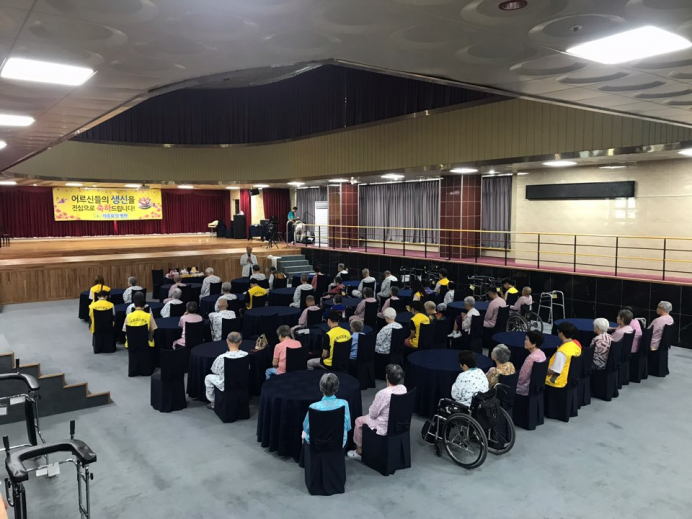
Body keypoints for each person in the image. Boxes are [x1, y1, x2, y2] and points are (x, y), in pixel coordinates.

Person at [347, 364, 407, 461]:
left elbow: (373, 414)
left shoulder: (383, 393)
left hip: (382, 425)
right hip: (397, 423)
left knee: (358, 421)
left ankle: (359, 450)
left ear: (387, 376)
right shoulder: (403, 388)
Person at [301, 373, 352, 448]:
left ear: (320, 388)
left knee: (303, 434)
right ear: (337, 388)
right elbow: (348, 427)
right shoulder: (344, 404)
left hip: (316, 444)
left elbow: (306, 428)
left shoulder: (313, 407)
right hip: (339, 443)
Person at [204, 332, 248, 409]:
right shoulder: (245, 355)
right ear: (240, 341)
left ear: (227, 341)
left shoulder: (222, 357)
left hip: (225, 384)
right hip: (242, 382)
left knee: (208, 378)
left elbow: (214, 370)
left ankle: (213, 402)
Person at [546, 321, 582, 388]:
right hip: (569, 377)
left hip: (557, 382)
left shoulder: (561, 352)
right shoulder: (577, 344)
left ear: (561, 333)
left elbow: (554, 370)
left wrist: (542, 371)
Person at [516, 330, 547, 396]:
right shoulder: (542, 354)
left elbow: (522, 378)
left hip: (525, 389)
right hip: (536, 388)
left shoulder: (531, 358)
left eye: (526, 340)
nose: (524, 342)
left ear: (534, 343)